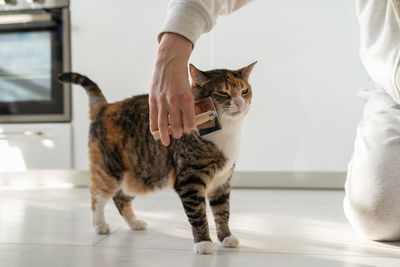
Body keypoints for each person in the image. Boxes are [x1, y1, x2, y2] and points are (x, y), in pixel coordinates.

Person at [149, 0, 400, 241]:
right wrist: (171, 50)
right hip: (391, 87)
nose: (239, 101)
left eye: (243, 93)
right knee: (378, 215)